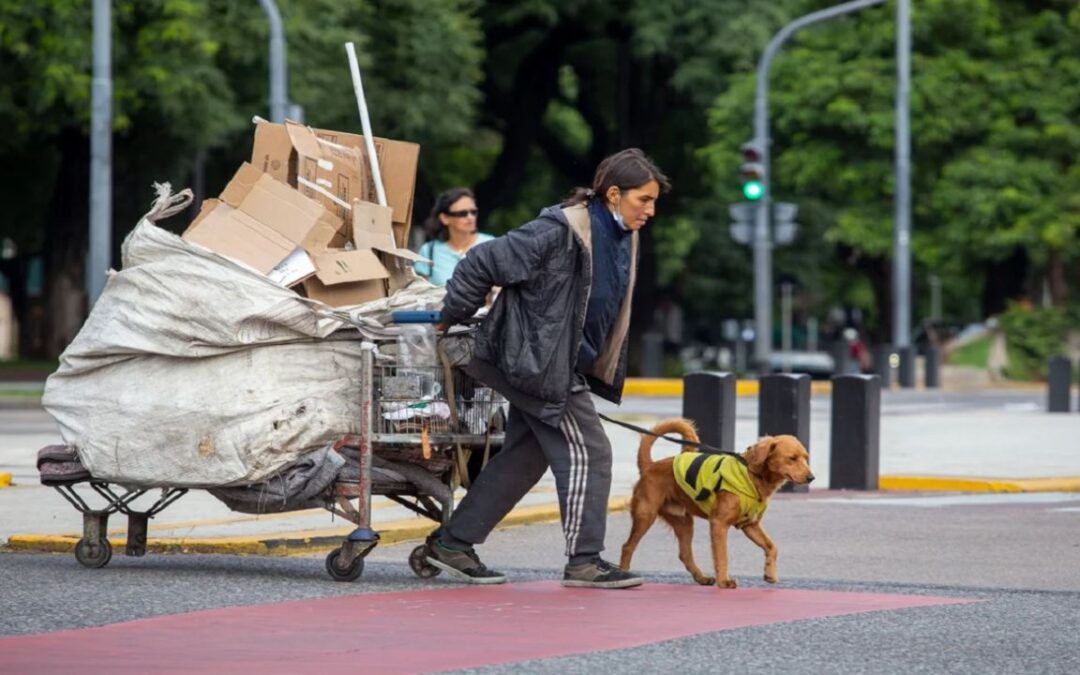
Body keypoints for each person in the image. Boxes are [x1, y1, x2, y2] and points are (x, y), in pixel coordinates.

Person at [420, 148, 670, 589]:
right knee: (591, 452)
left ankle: (452, 545)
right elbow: (482, 261)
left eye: (652, 202)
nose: (650, 211)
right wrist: (454, 313)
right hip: (537, 364)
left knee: (523, 457)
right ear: (614, 193)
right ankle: (585, 561)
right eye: (642, 200)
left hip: (555, 363)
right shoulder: (560, 230)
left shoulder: (618, 235)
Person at [414, 188, 494, 286]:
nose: (470, 217)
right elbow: (420, 293)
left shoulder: (490, 245)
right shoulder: (429, 251)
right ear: (445, 218)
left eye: (473, 212)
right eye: (462, 214)